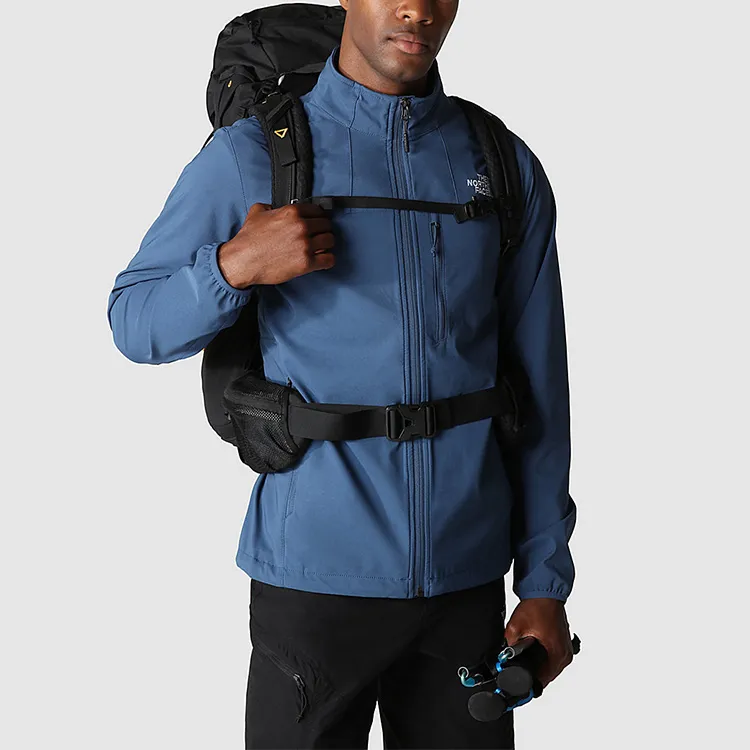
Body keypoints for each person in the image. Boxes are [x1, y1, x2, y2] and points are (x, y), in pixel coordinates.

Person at [106, 1, 577, 747]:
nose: (417, 9)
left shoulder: (501, 163)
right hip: (313, 584)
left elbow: (542, 385)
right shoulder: (253, 154)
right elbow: (135, 323)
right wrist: (233, 266)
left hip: (468, 583)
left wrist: (545, 581)